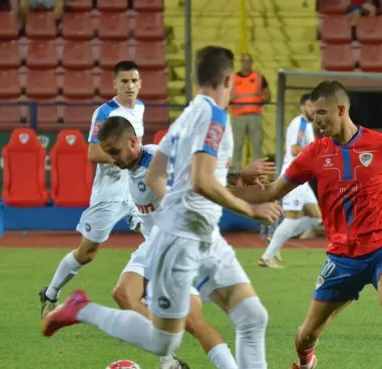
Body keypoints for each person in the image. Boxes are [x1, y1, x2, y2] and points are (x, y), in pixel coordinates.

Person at [42, 46, 281, 368]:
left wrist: (176, 199)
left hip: (203, 237)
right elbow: (200, 181)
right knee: (165, 339)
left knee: (253, 317)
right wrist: (251, 209)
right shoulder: (214, 116)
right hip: (181, 241)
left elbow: (160, 172)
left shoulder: (189, 114)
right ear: (229, 78)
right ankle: (82, 309)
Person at [231, 80, 382, 369]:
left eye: (322, 113)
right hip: (342, 256)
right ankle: (306, 363)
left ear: (342, 109)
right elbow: (270, 192)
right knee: (306, 335)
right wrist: (227, 185)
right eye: (314, 114)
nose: (317, 120)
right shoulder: (312, 154)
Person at [97, 116, 240, 369]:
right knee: (123, 294)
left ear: (132, 142)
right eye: (108, 153)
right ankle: (170, 362)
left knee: (193, 322)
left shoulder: (156, 162)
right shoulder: (132, 167)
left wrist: (239, 174)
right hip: (153, 246)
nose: (112, 159)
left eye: (115, 152)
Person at [39, 60, 144, 319]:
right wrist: (121, 158)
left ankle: (152, 300)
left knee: (157, 239)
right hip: (109, 193)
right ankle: (51, 293)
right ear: (115, 83)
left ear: (140, 83)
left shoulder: (140, 108)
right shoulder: (105, 112)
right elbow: (93, 152)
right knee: (87, 253)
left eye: (134, 81)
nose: (130, 86)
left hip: (135, 189)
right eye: (125, 81)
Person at [259, 94, 322, 268]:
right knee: (292, 217)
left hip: (303, 177)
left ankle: (277, 238)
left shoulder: (307, 125)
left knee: (316, 217)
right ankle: (267, 256)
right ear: (302, 107)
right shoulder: (301, 123)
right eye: (309, 106)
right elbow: (295, 150)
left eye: (314, 106)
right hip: (294, 175)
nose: (312, 109)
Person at [228, 53, 270, 180]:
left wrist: (259, 101)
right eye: (244, 61)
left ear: (251, 62)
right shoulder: (233, 79)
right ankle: (234, 171)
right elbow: (226, 95)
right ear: (241, 62)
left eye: (248, 61)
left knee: (257, 145)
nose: (246, 63)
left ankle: (258, 172)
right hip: (238, 117)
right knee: (236, 145)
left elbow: (267, 95)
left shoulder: (258, 77)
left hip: (254, 117)